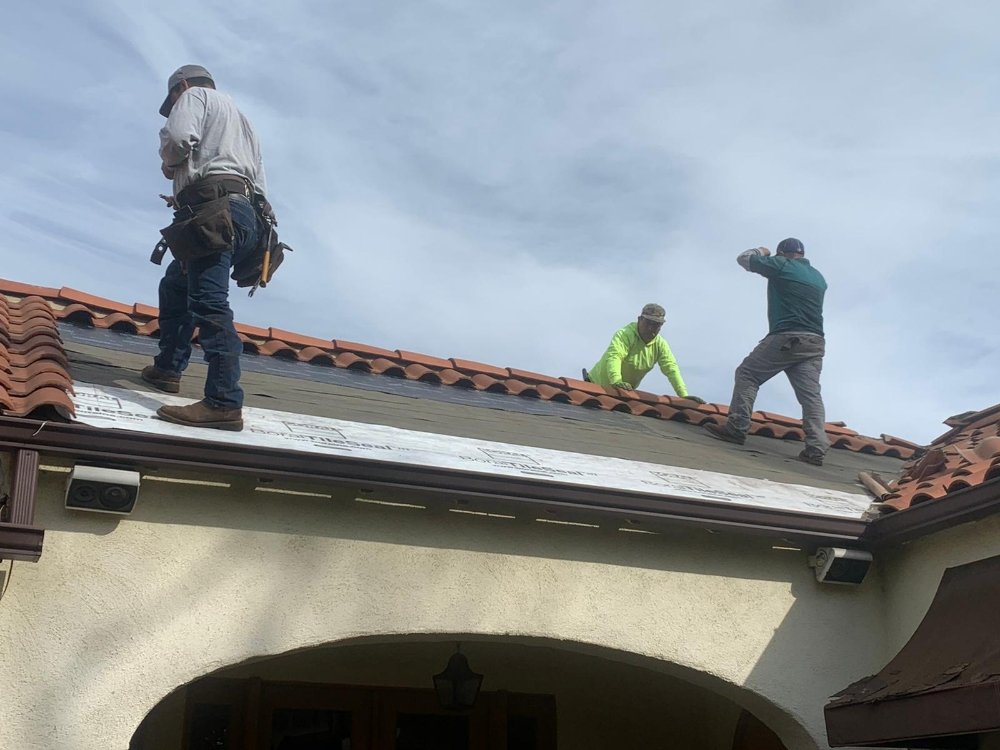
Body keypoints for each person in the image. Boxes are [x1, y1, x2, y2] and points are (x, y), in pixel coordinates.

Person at [141, 65, 268, 432]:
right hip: (243, 216)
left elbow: (179, 139)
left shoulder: (195, 97)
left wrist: (170, 165)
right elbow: (255, 180)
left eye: (173, 99)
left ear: (180, 86)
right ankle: (167, 369)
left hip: (215, 214)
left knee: (208, 302)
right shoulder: (243, 120)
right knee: (176, 282)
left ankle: (223, 402)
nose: (175, 104)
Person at [704, 238, 828, 465]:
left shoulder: (781, 265)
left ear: (782, 253)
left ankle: (737, 428)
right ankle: (816, 448)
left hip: (788, 337)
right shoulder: (818, 277)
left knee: (748, 374)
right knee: (811, 397)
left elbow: (744, 258)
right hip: (815, 343)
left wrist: (762, 250)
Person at [584, 303, 703, 401]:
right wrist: (616, 381)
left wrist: (683, 395)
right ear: (639, 319)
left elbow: (671, 369)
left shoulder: (661, 345)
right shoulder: (625, 334)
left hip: (621, 395)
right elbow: (615, 356)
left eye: (656, 325)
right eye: (648, 323)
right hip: (595, 386)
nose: (651, 329)